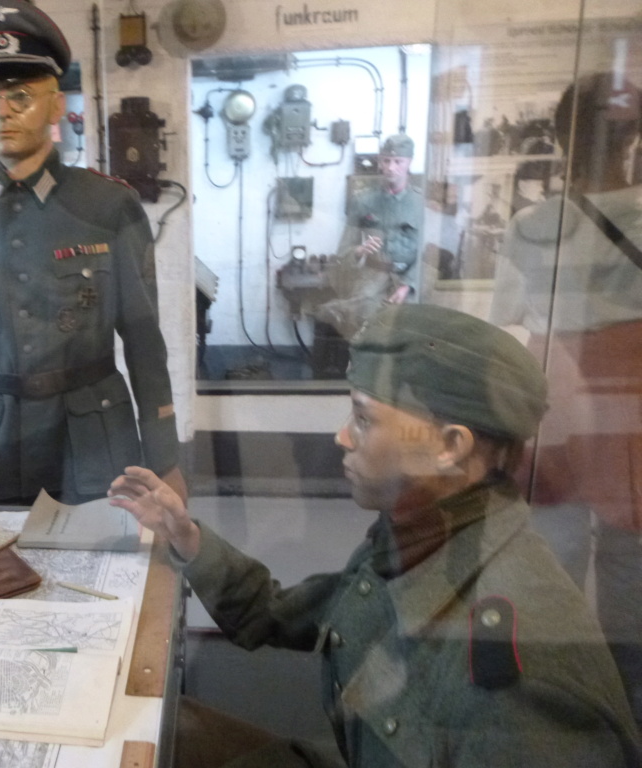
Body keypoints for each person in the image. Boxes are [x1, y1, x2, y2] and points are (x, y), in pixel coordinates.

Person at [109, 303, 641, 768]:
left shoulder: (517, 678)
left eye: (364, 418)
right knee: (140, 726)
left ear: (450, 446)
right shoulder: (425, 536)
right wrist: (185, 536)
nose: (342, 435)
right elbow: (291, 613)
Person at [0, 0, 184, 509]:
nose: (3, 111)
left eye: (22, 95)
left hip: (98, 438)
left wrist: (164, 457)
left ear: (55, 106)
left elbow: (143, 340)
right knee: (3, 576)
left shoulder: (108, 205)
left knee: (111, 576)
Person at [490, 72, 642, 728]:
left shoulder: (531, 224)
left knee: (552, 559)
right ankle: (629, 714)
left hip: (558, 394)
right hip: (634, 398)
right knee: (630, 563)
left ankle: (557, 714)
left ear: (557, 137)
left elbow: (506, 318)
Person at [319, 134, 425, 338]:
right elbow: (343, 251)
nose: (391, 167)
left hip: (410, 281)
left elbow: (427, 255)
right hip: (371, 280)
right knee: (364, 331)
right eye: (386, 161)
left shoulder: (421, 203)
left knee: (412, 332)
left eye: (398, 161)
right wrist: (359, 251)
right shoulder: (363, 201)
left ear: (409, 162)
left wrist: (407, 286)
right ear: (380, 162)